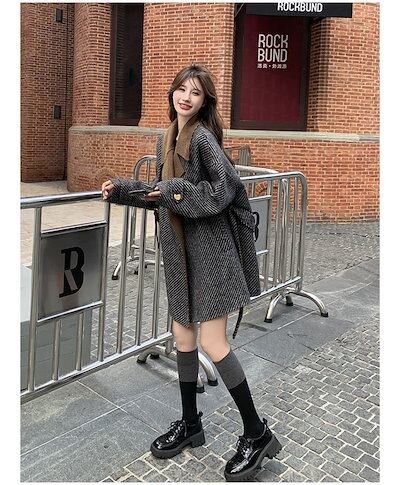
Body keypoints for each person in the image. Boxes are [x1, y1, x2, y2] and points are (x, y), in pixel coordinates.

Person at [101, 63, 282, 481]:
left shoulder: (201, 138)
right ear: (172, 93)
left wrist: (174, 191)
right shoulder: (167, 137)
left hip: (212, 255)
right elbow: (160, 194)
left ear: (204, 101)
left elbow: (225, 189)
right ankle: (191, 424)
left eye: (195, 92)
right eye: (181, 89)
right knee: (182, 337)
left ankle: (257, 434)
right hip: (182, 256)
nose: (186, 97)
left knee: (214, 343)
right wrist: (122, 190)